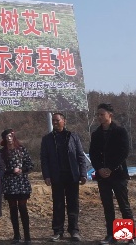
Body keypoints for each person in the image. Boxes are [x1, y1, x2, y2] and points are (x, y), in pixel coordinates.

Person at [89, 103, 135, 245]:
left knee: (124, 205)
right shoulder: (96, 134)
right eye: (98, 114)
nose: (99, 117)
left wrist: (111, 168)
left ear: (110, 115)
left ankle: (129, 235)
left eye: (102, 114)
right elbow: (93, 153)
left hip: (118, 174)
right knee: (107, 206)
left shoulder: (120, 131)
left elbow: (124, 151)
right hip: (103, 176)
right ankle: (111, 235)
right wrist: (99, 169)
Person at [40, 112, 87, 242]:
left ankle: (74, 231)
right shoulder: (47, 139)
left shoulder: (73, 136)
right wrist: (47, 176)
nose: (55, 122)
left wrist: (83, 173)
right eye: (53, 120)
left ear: (64, 121)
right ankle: (57, 231)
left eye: (57, 120)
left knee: (73, 204)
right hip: (56, 176)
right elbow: (44, 159)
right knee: (58, 204)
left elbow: (80, 157)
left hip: (72, 175)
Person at [0, 129, 34, 244]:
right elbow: (0, 168)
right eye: (6, 137)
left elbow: (30, 164)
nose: (9, 138)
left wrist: (22, 169)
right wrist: (10, 170)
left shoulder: (22, 149)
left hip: (22, 182)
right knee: (13, 209)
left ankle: (27, 236)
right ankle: (16, 235)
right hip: (9, 183)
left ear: (14, 137)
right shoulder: (2, 152)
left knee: (23, 208)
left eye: (10, 136)